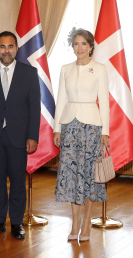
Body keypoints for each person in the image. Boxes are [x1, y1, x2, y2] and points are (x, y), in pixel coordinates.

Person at [0, 31, 40, 240]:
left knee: (18, 182)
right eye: (2, 47)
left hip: (19, 136)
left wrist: (32, 136)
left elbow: (34, 108)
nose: (6, 51)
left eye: (10, 46)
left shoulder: (29, 73)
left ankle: (17, 223)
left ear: (16, 49)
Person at [52, 28, 110, 242]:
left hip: (92, 128)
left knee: (88, 176)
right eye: (76, 44)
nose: (79, 48)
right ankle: (74, 222)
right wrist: (57, 128)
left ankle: (87, 223)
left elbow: (104, 101)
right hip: (69, 126)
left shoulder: (100, 69)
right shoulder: (65, 69)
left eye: (83, 44)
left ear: (91, 47)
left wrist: (106, 131)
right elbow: (60, 99)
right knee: (70, 176)